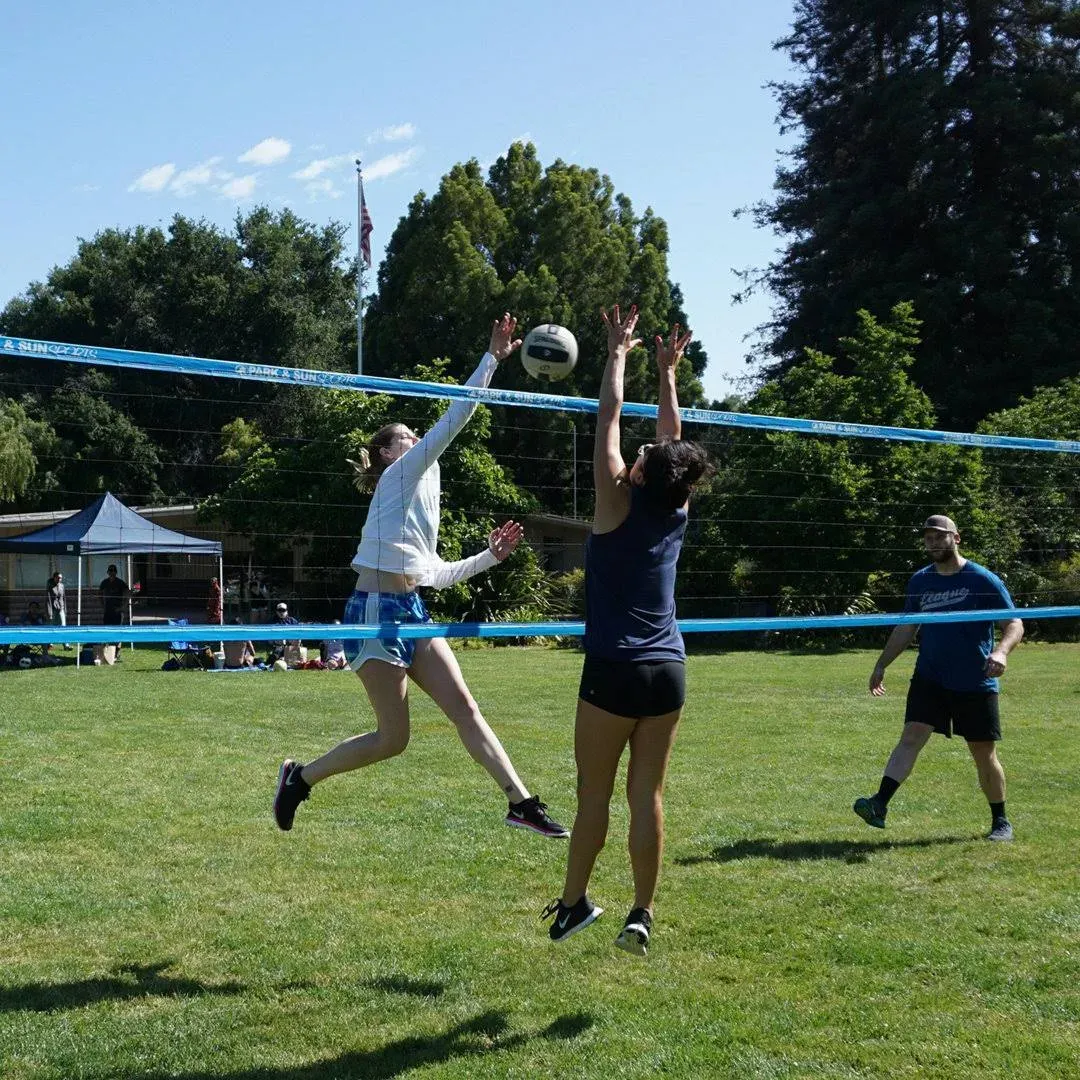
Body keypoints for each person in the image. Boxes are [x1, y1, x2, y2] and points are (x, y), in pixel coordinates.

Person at [273, 313, 567, 840]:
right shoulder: (397, 477)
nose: (414, 439)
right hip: (373, 614)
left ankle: (521, 802)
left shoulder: (421, 495)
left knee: (466, 708)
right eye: (405, 437)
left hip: (412, 610)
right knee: (393, 739)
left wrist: (489, 559)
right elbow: (454, 419)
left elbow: (434, 574)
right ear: (388, 456)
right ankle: (300, 778)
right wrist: (492, 359)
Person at [541, 305, 710, 957]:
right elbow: (671, 442)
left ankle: (573, 904)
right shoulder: (676, 506)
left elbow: (608, 420)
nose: (642, 450)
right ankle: (641, 913)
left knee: (593, 798)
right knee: (649, 797)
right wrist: (666, 373)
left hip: (612, 669)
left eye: (644, 456)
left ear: (641, 473)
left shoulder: (614, 501)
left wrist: (618, 351)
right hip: (668, 669)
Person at [854, 515, 1024, 842]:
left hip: (974, 680)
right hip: (930, 677)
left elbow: (1014, 623)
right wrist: (881, 664)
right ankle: (879, 804)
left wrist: (1001, 652)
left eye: (939, 537)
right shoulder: (920, 581)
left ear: (956, 538)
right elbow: (907, 627)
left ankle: (1001, 821)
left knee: (982, 752)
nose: (932, 543)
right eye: (928, 538)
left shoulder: (983, 580)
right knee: (911, 736)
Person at [99, 564, 129, 656]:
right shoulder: (104, 582)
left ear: (116, 572)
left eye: (113, 571)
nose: (112, 572)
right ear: (108, 572)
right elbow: (99, 594)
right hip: (108, 611)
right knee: (106, 630)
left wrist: (123, 606)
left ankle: (117, 650)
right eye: (110, 571)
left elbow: (128, 594)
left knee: (118, 631)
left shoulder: (120, 582)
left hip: (117, 611)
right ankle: (107, 650)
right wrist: (103, 606)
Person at [46, 572, 68, 649]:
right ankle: (50, 644)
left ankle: (66, 644)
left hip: (61, 608)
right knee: (51, 626)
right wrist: (50, 613)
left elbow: (64, 598)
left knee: (63, 626)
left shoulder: (62, 586)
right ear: (54, 578)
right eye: (58, 577)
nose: (59, 579)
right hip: (53, 608)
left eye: (61, 578)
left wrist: (65, 609)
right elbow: (48, 599)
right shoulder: (50, 586)